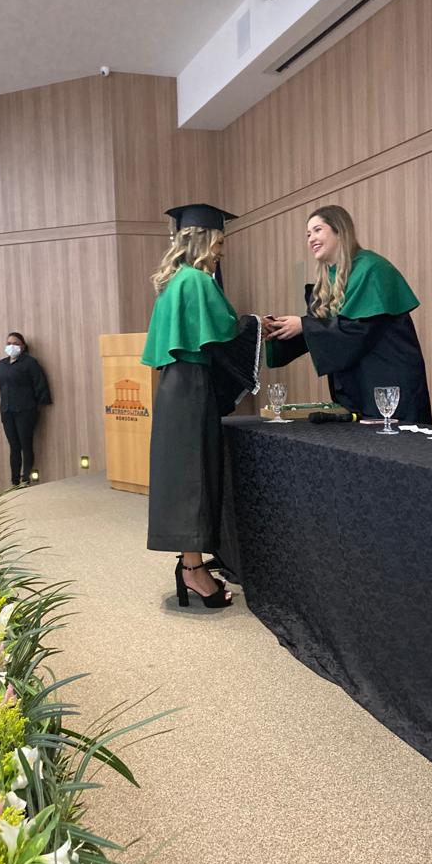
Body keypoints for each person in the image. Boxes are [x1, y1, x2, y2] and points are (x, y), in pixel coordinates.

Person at [142, 203, 261, 609]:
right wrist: (256, 325)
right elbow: (225, 333)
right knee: (193, 476)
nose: (222, 252)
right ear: (205, 241)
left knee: (183, 476)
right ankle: (193, 570)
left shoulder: (174, 281)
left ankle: (189, 562)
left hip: (175, 386)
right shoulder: (196, 280)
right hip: (192, 386)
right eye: (220, 243)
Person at [265, 204, 432, 422]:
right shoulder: (327, 281)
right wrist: (278, 331)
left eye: (317, 230)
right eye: (308, 234)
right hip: (357, 385)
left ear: (339, 231)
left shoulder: (372, 268)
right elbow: (325, 332)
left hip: (389, 383)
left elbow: (358, 330)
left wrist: (304, 325)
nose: (311, 239)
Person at [0, 333, 52, 487]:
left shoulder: (30, 363)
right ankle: (14, 481)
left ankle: (25, 478)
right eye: (9, 343)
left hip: (25, 410)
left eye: (15, 343)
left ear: (23, 346)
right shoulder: (2, 364)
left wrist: (38, 404)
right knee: (14, 447)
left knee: (26, 445)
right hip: (7, 410)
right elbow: (1, 387)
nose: (11, 346)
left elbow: (40, 383)